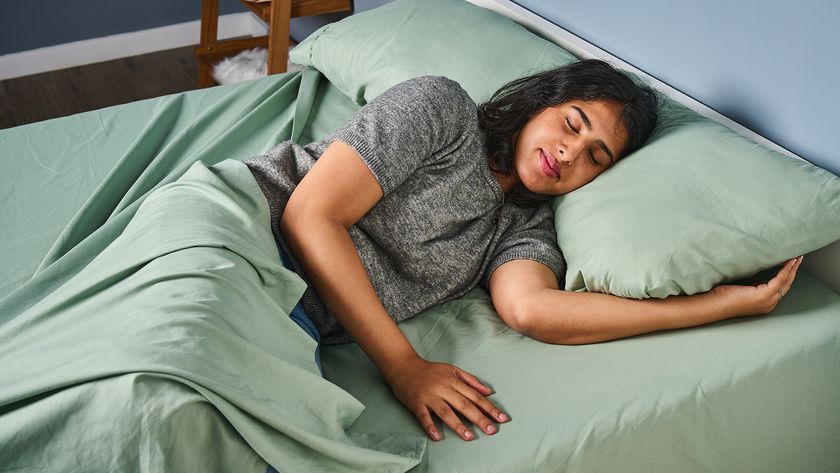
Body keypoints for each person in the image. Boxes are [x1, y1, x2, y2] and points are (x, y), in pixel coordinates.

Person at [243, 59, 802, 443]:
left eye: (596, 157)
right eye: (572, 123)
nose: (570, 151)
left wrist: (721, 304)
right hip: (242, 232)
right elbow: (309, 215)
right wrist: (404, 366)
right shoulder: (442, 109)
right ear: (540, 102)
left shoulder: (523, 228)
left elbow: (534, 311)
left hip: (289, 320)